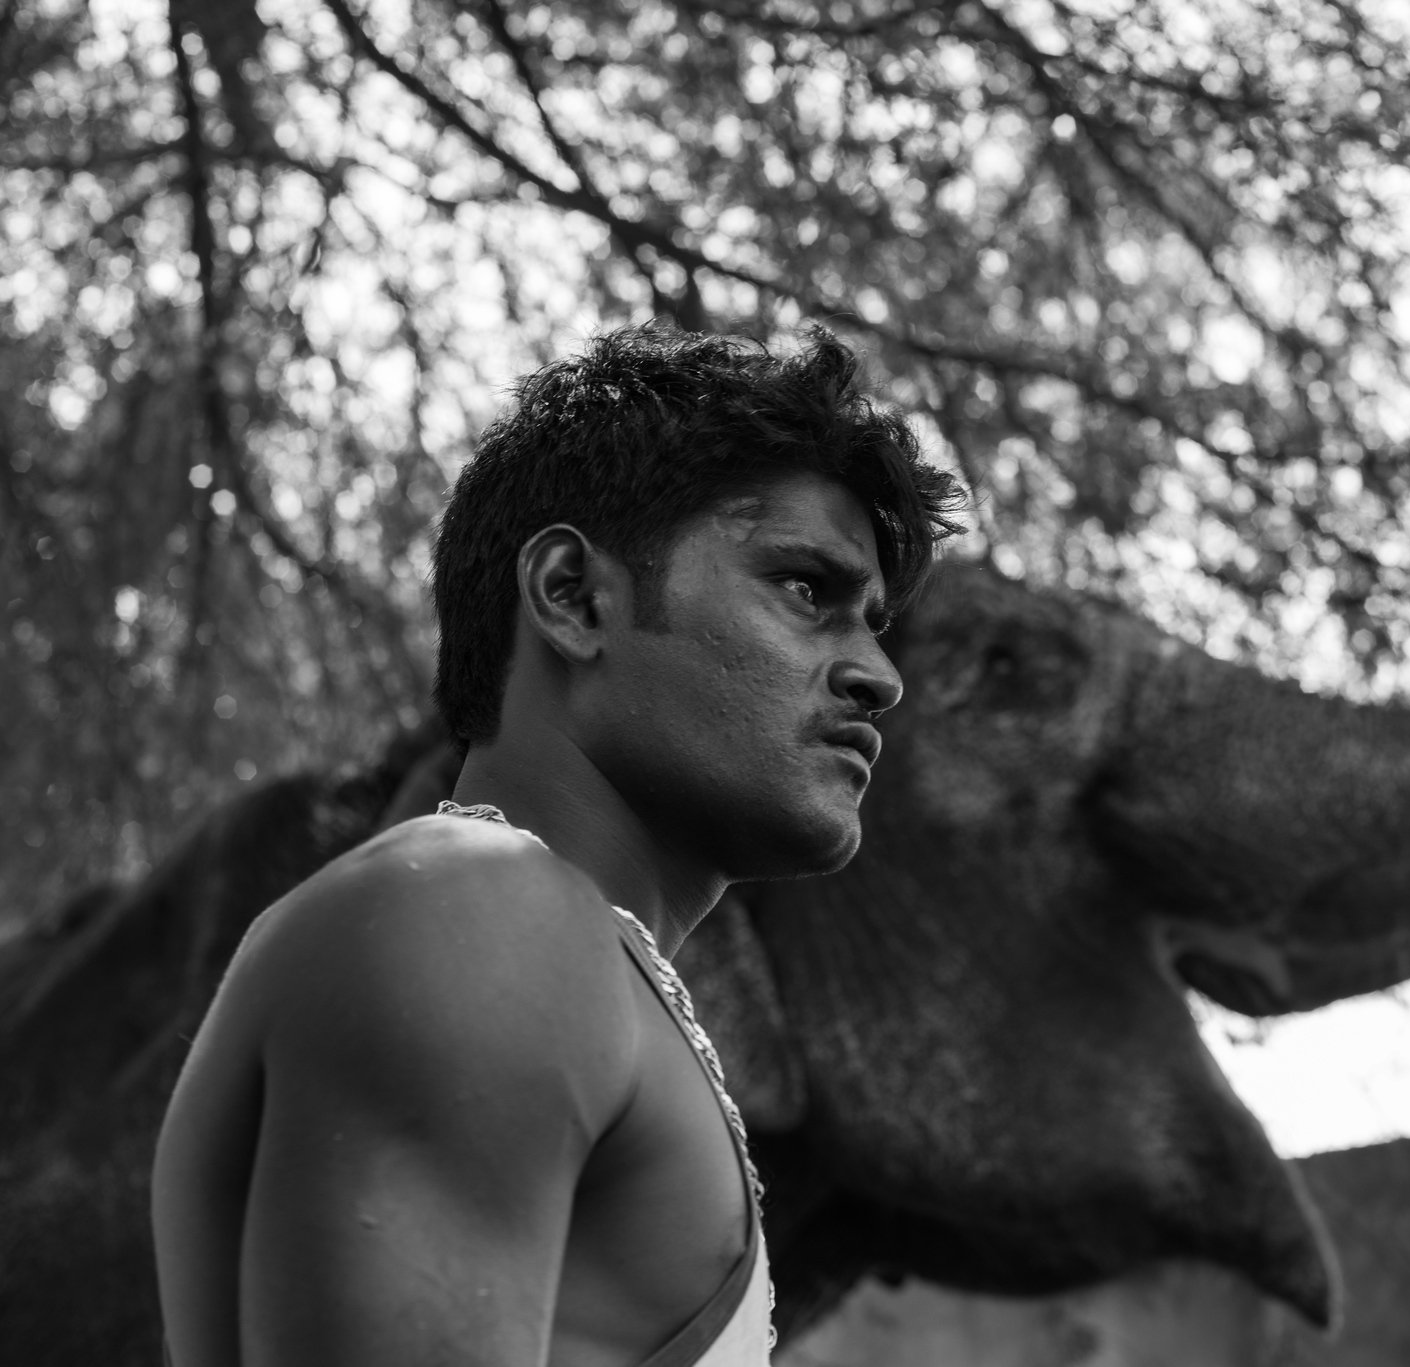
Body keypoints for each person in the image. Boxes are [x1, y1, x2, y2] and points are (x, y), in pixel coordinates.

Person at [150, 324, 966, 1367]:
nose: (877, 675)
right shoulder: (477, 910)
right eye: (807, 589)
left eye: (874, 623)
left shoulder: (542, 939)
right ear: (574, 596)